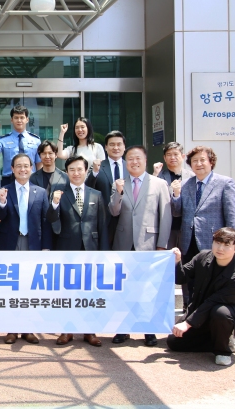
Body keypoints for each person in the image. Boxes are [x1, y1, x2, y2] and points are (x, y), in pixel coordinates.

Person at [108, 145, 172, 347]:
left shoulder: (159, 184)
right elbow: (114, 211)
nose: (134, 162)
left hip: (148, 243)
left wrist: (162, 245)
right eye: (130, 159)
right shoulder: (119, 183)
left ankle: (149, 330)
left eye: (138, 158)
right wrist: (118, 193)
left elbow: (165, 216)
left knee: (148, 289)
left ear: (145, 160)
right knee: (124, 289)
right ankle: (123, 328)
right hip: (124, 243)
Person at [47, 155, 108, 347]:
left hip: (91, 249)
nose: (76, 173)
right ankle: (67, 330)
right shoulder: (59, 193)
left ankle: (90, 331)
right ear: (66, 172)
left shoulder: (96, 194)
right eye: (72, 169)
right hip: (67, 248)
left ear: (86, 171)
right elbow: (51, 219)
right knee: (68, 291)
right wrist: (54, 204)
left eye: (79, 169)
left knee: (89, 291)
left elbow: (102, 225)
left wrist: (103, 253)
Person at [0, 153, 52, 345]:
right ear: (12, 169)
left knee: (29, 288)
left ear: (31, 168)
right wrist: (2, 201)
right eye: (18, 166)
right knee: (11, 288)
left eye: (26, 166)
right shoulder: (5, 190)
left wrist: (46, 247)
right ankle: (11, 329)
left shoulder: (40, 192)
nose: (22, 169)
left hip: (32, 244)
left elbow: (45, 222)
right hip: (10, 244)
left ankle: (28, 328)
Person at [171, 146, 235, 301]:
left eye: (202, 160)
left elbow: (232, 215)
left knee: (212, 280)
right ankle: (189, 307)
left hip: (213, 241)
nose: (198, 164)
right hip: (188, 241)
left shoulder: (224, 183)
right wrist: (176, 195)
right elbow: (177, 212)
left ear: (211, 162)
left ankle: (210, 309)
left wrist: (231, 242)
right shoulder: (185, 184)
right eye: (194, 161)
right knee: (190, 280)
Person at [167, 227, 235, 367]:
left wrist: (187, 323)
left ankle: (223, 350)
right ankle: (216, 339)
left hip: (225, 315)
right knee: (174, 342)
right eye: (217, 243)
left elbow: (212, 301)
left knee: (220, 312)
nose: (220, 248)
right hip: (201, 310)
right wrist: (177, 262)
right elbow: (182, 278)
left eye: (226, 245)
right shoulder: (203, 257)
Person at [153, 142, 194, 312]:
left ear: (183, 156)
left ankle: (188, 304)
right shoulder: (158, 177)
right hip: (166, 229)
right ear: (164, 157)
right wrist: (154, 175)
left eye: (176, 154)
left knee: (186, 265)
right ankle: (163, 305)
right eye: (169, 154)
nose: (172, 157)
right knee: (164, 266)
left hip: (186, 229)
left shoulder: (192, 176)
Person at [85, 130, 128, 245]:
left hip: (126, 218)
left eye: (119, 144)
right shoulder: (97, 166)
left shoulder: (130, 167)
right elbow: (87, 189)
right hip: (103, 219)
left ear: (124, 147)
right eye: (112, 144)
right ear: (106, 147)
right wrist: (94, 172)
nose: (116, 148)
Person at [0, 105, 42, 186]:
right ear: (11, 120)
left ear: (27, 119)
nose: (19, 120)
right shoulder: (4, 139)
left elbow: (39, 164)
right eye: (16, 118)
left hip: (31, 180)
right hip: (9, 180)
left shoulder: (36, 140)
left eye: (22, 117)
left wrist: (39, 181)